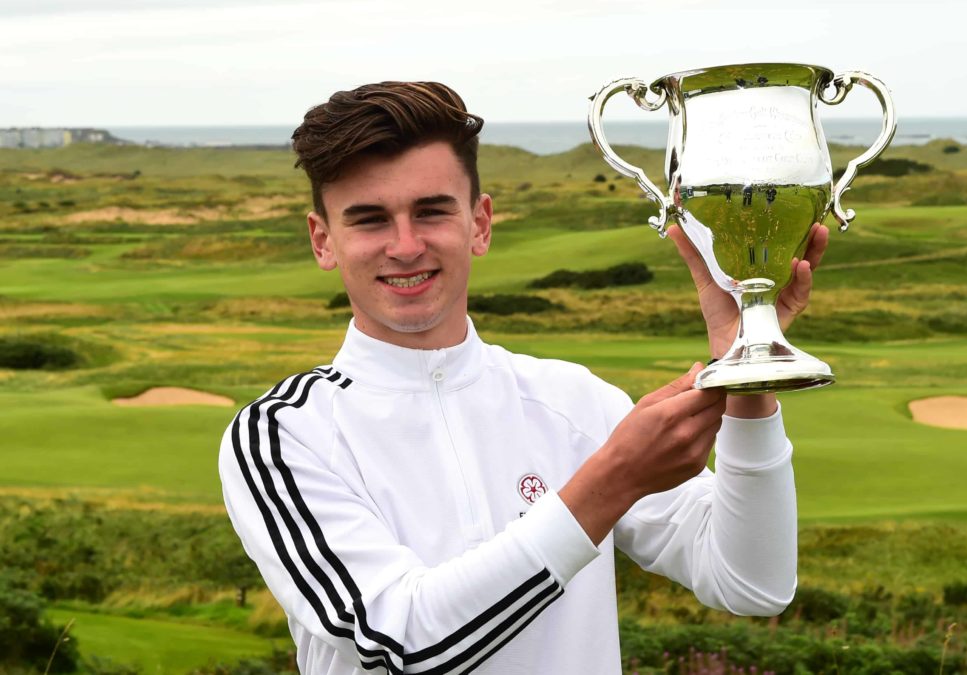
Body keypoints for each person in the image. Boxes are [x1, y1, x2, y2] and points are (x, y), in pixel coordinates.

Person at [219, 81, 828, 675]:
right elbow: (401, 641)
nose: (405, 246)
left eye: (431, 211)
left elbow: (752, 582)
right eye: (370, 220)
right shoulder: (283, 435)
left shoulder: (574, 400)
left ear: (479, 224)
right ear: (323, 241)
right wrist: (609, 482)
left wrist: (745, 369)